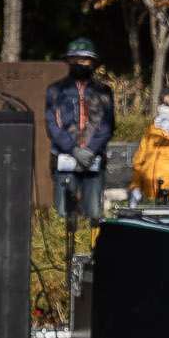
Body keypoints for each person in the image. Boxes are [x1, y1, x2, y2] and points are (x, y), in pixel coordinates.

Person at [45, 37, 117, 216]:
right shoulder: (56, 90)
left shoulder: (103, 91)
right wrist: (73, 149)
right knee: (63, 213)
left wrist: (91, 149)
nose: (80, 63)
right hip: (64, 158)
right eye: (76, 59)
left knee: (93, 213)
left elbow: (108, 124)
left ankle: (91, 244)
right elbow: (53, 124)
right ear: (68, 60)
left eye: (85, 59)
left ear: (92, 62)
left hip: (94, 159)